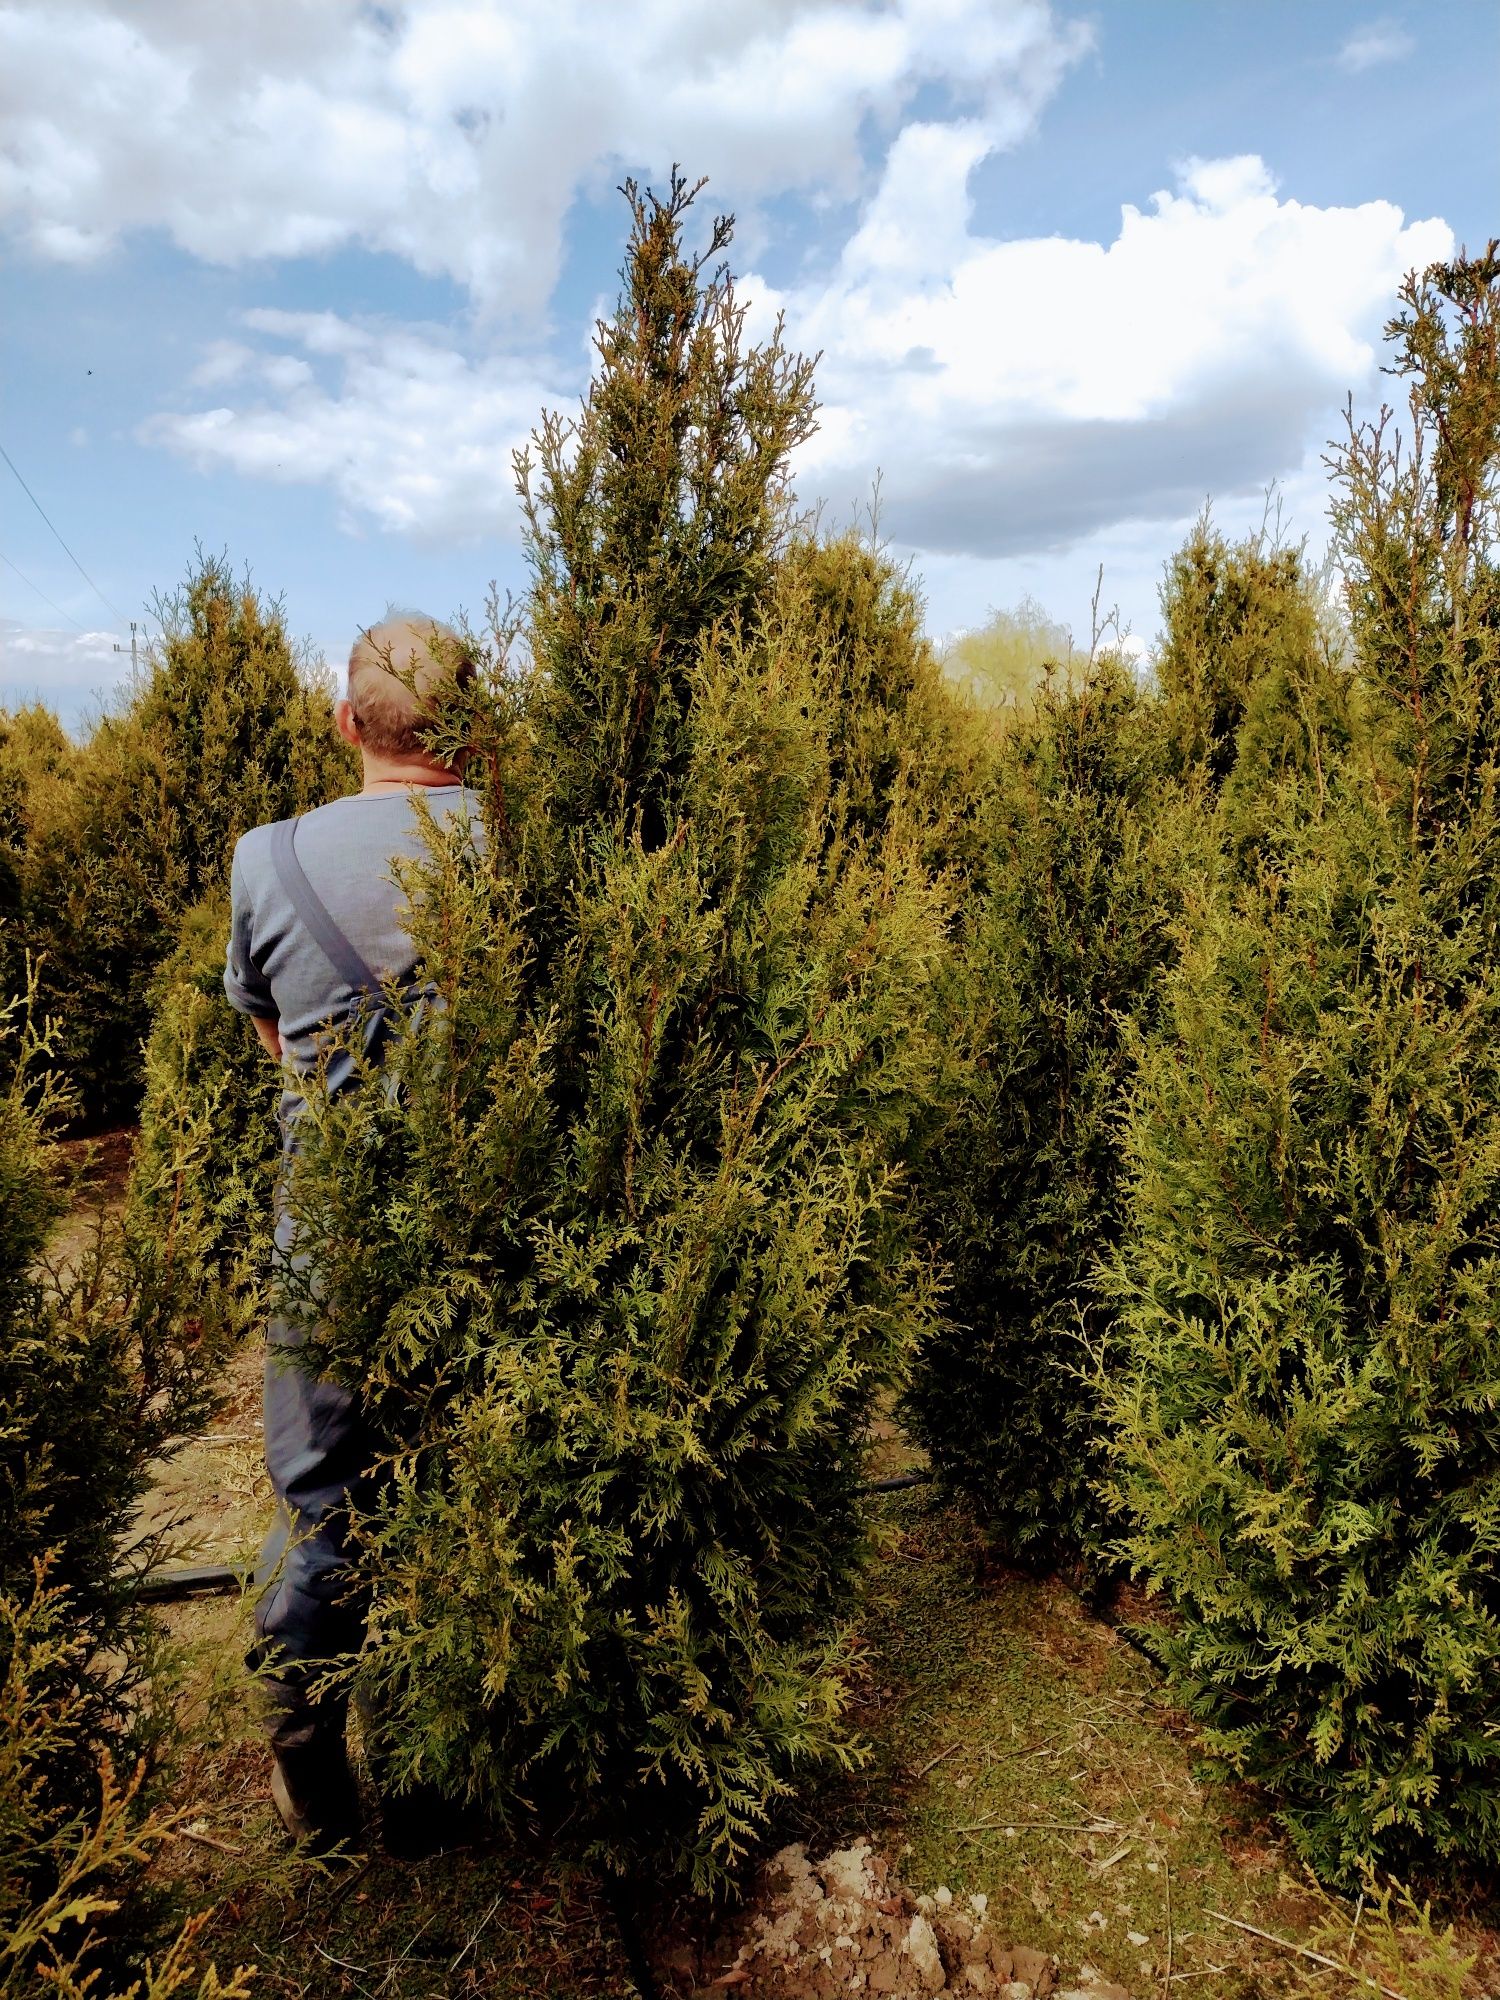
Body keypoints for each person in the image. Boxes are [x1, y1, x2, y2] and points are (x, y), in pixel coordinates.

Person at [223, 614, 479, 1855]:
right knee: (456, 1488)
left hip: (325, 1240)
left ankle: (312, 1766)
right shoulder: (518, 848)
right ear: (464, 729)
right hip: (478, 1232)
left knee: (324, 1502)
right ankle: (435, 1773)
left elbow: (269, 1030)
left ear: (346, 723)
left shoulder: (265, 858)